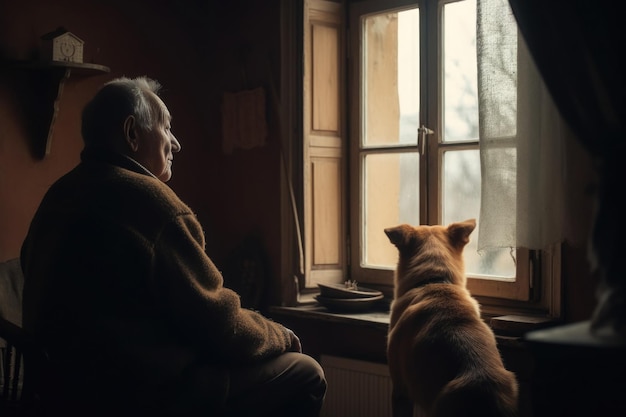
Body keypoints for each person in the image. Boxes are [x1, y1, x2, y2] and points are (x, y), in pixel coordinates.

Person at [20, 76, 326, 417]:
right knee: (306, 372)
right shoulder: (150, 203)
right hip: (141, 395)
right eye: (166, 128)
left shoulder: (59, 194)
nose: (176, 143)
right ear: (132, 133)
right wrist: (280, 334)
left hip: (58, 392)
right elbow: (221, 325)